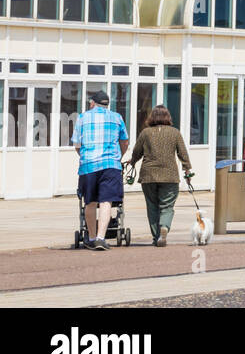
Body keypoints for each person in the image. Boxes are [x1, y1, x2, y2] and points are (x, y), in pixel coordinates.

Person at [128, 105, 193, 247]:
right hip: (169, 175)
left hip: (149, 175)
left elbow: (137, 151)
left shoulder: (145, 133)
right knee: (167, 206)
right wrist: (187, 171)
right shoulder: (175, 133)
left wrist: (132, 163)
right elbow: (183, 154)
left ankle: (156, 236)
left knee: (152, 206)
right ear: (167, 117)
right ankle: (164, 226)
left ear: (152, 117)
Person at [71, 89, 129, 250]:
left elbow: (76, 143)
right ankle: (101, 238)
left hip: (88, 166)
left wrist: (84, 156)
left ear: (92, 103)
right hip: (111, 165)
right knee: (106, 201)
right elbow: (124, 142)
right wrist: (118, 157)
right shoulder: (117, 117)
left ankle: (90, 237)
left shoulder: (82, 118)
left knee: (90, 201)